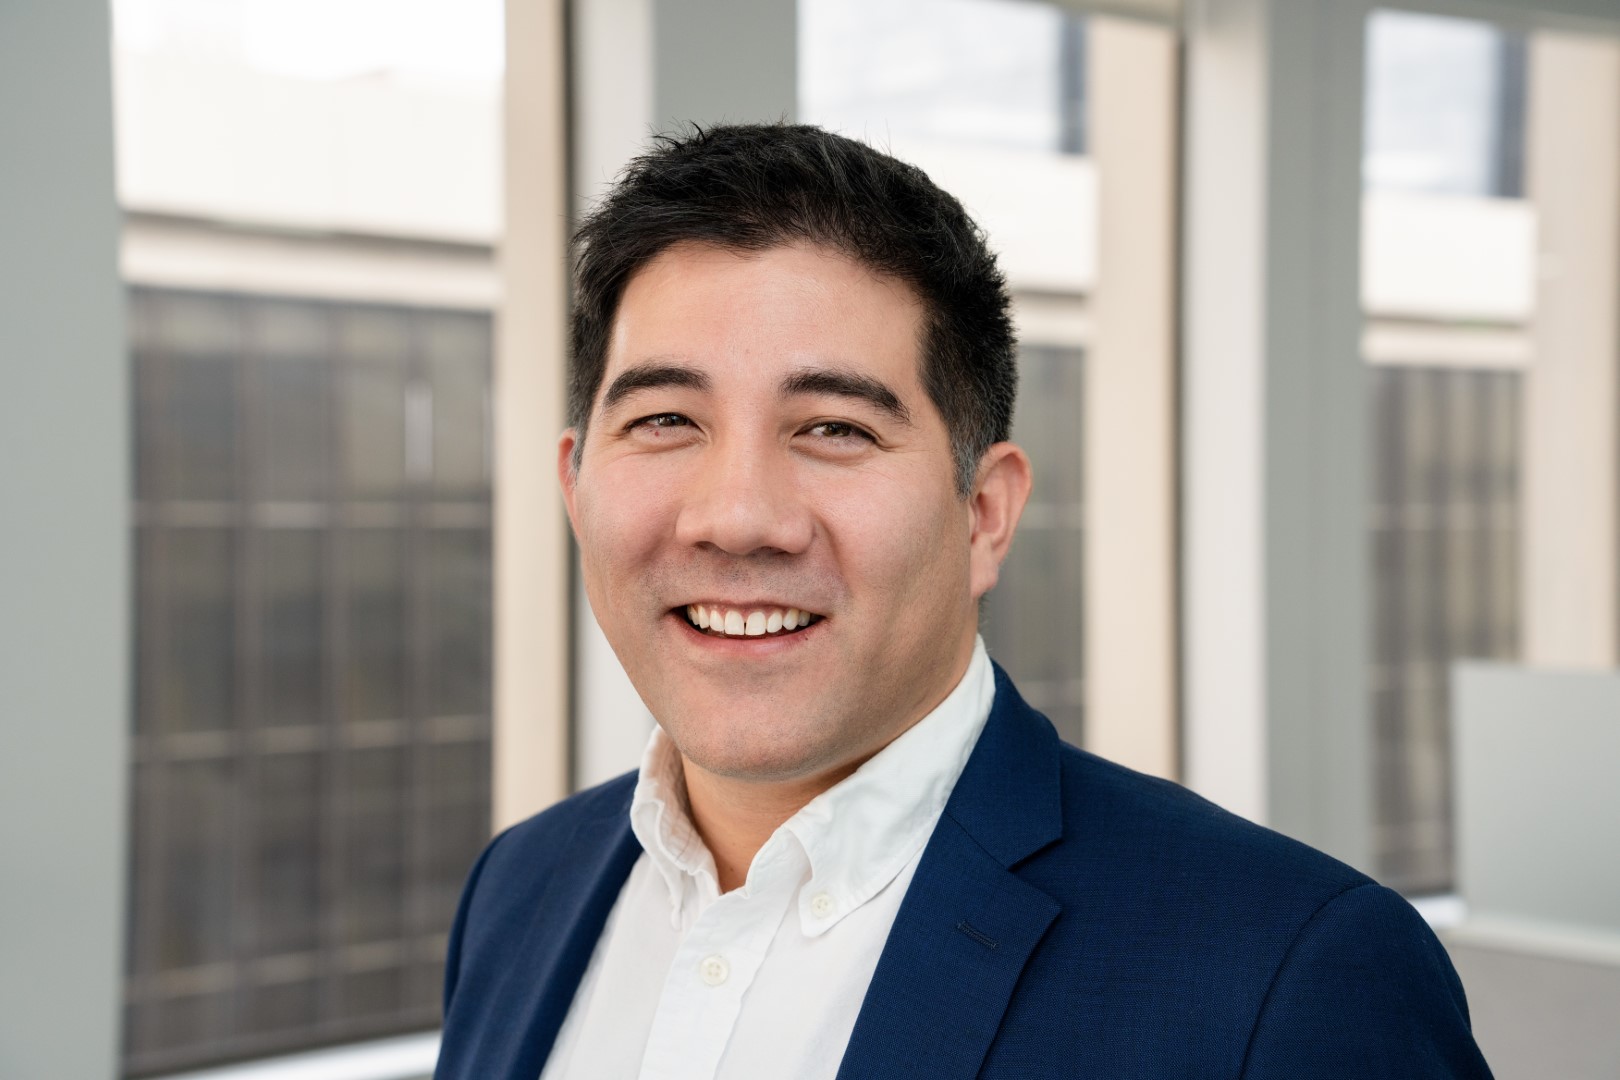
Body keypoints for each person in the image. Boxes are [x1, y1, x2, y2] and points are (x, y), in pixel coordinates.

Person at [434, 123, 1492, 1080]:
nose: (739, 517)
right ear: (575, 485)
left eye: (835, 429)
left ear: (984, 514)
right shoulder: (519, 889)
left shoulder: (1290, 974)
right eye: (665, 420)